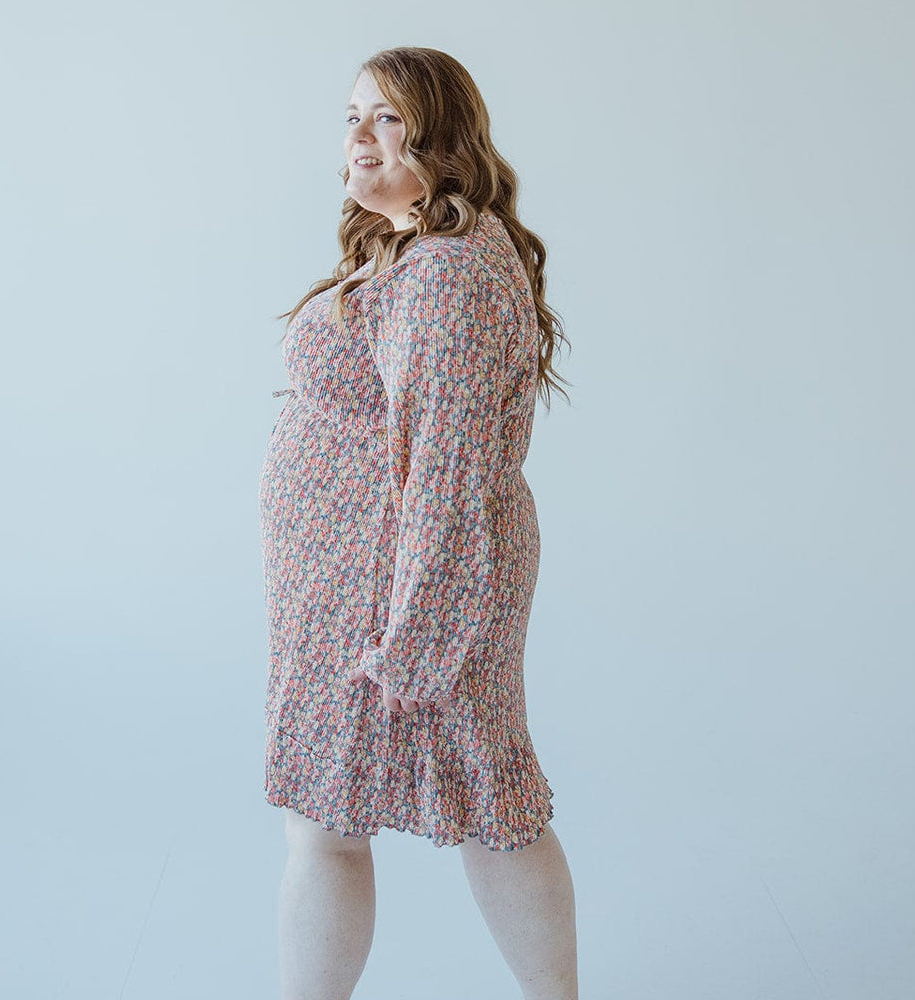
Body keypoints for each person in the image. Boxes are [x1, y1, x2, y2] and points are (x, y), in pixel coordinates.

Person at [259, 46, 578, 1000]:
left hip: (391, 596)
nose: (357, 138)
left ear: (442, 135)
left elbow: (447, 470)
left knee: (422, 813)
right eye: (351, 114)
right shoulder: (425, 247)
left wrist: (413, 641)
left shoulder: (442, 273)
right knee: (478, 805)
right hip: (360, 588)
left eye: (386, 117)